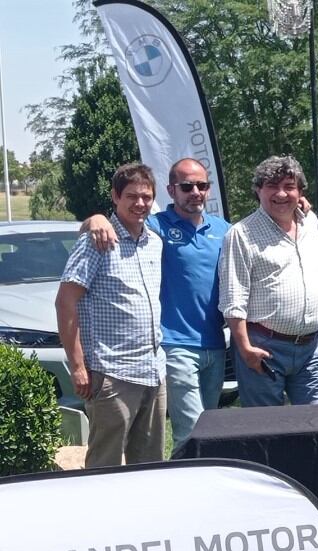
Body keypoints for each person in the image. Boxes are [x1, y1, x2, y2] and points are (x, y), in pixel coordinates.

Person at [81, 159, 231, 448]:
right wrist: (95, 219)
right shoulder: (154, 226)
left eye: (202, 185)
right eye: (187, 186)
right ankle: (185, 487)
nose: (195, 192)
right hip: (175, 346)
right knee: (191, 432)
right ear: (171, 190)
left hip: (215, 345)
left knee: (210, 430)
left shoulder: (224, 230)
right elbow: (115, 222)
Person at [55, 163, 166, 466]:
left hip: (153, 370)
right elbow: (65, 302)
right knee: (104, 464)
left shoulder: (154, 242)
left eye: (146, 196)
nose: (140, 203)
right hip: (111, 374)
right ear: (115, 197)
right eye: (132, 196)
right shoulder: (97, 242)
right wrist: (78, 366)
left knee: (150, 463)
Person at [219, 155, 318, 406]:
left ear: (300, 192)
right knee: (264, 431)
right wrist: (246, 350)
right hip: (263, 348)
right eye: (272, 186)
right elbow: (232, 298)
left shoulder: (311, 224)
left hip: (312, 348)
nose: (281, 194)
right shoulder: (241, 234)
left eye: (289, 187)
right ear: (258, 190)